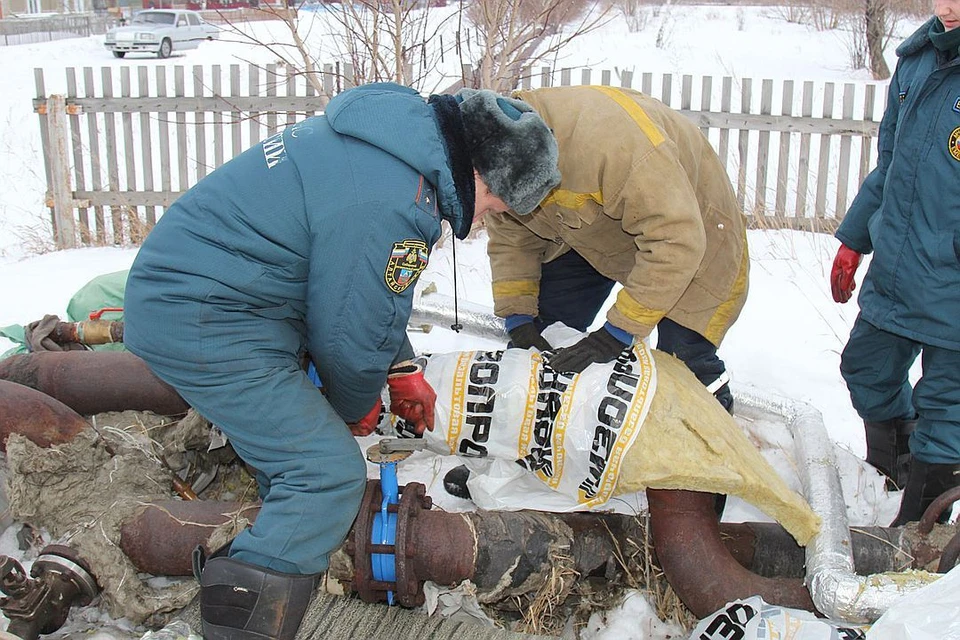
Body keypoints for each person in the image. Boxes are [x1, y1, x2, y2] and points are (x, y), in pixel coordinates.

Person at [122, 83, 560, 640]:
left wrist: (400, 369)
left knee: (301, 448)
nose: (491, 216)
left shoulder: (392, 146)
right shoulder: (395, 202)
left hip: (232, 293)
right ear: (481, 175)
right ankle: (240, 620)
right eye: (501, 203)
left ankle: (281, 543)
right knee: (325, 473)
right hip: (203, 312)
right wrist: (350, 410)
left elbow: (362, 290)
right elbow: (349, 339)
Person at [485, 85, 749, 413]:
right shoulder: (503, 159)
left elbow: (676, 240)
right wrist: (519, 318)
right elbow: (512, 238)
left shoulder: (617, 147)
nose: (490, 210)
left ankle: (715, 448)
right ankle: (549, 433)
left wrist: (617, 333)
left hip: (692, 229)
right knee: (544, 333)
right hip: (588, 227)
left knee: (681, 359)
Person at [831, 0, 960, 526]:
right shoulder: (918, 59)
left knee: (947, 409)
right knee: (865, 367)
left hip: (952, 279)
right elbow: (890, 166)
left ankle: (919, 534)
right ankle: (891, 470)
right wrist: (854, 238)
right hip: (901, 267)